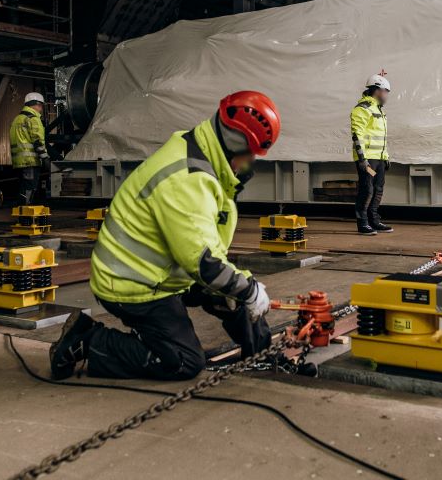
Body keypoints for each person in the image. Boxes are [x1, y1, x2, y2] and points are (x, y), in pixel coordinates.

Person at [49, 91, 281, 381]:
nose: (250, 164)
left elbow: (205, 254)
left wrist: (241, 293)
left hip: (161, 272)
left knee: (232, 296)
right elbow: (204, 262)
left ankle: (261, 356)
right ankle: (87, 340)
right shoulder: (188, 178)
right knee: (183, 362)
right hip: (132, 283)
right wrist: (249, 290)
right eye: (250, 155)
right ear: (235, 143)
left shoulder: (199, 150)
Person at [351, 74, 394, 235]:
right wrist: (362, 159)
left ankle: (374, 221)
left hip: (379, 160)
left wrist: (386, 156)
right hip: (368, 160)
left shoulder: (379, 111)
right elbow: (357, 134)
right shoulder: (362, 109)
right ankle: (363, 223)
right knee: (367, 189)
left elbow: (380, 137)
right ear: (378, 90)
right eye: (386, 91)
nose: (387, 95)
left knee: (378, 189)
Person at [9, 92, 48, 206]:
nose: (41, 109)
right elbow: (37, 141)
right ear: (36, 104)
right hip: (30, 161)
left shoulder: (17, 119)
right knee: (30, 188)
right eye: (40, 105)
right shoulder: (33, 119)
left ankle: (20, 211)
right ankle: (25, 213)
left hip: (18, 162)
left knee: (23, 188)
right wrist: (45, 158)